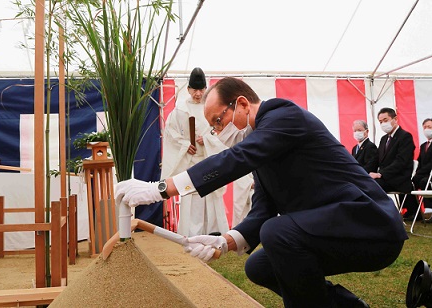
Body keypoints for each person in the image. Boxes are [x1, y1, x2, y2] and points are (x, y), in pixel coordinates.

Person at [115, 77, 407, 307]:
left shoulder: (283, 116)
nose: (218, 132)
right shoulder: (264, 146)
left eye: (219, 120)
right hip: (338, 227)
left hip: (371, 225)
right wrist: (224, 242)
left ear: (241, 104)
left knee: (277, 232)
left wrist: (162, 188)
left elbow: (236, 159)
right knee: (260, 265)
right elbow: (262, 209)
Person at [160, 67, 229, 237]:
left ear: (206, 89)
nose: (198, 93)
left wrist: (206, 140)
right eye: (194, 89)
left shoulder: (213, 107)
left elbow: (221, 131)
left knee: (211, 196)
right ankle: (192, 234)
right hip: (190, 161)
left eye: (201, 89)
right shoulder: (180, 109)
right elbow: (170, 133)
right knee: (193, 198)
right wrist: (185, 144)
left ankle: (214, 232)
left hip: (208, 159)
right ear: (189, 89)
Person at [369, 107, 417, 218]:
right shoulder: (383, 139)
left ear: (395, 119)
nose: (383, 124)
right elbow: (375, 160)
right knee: (367, 182)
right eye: (380, 122)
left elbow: (401, 162)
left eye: (385, 120)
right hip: (386, 178)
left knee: (374, 185)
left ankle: (383, 214)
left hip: (399, 178)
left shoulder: (405, 137)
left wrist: (380, 174)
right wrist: (363, 172)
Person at [412, 118, 432, 209]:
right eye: (425, 127)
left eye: (429, 127)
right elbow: (419, 161)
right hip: (423, 174)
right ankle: (413, 209)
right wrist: (416, 172)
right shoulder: (423, 145)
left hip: (430, 174)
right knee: (408, 183)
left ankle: (429, 209)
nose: (427, 129)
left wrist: (421, 172)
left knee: (425, 182)